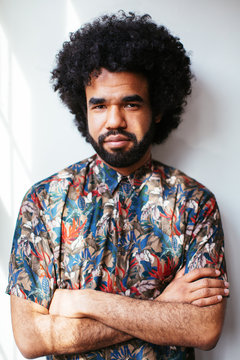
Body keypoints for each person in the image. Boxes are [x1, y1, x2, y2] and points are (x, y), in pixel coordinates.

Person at [7, 11, 228, 360]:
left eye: (131, 103)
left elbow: (204, 328)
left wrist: (82, 301)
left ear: (157, 109)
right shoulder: (44, 201)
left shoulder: (195, 203)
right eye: (100, 106)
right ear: (84, 111)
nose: (115, 121)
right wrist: (163, 308)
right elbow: (31, 339)